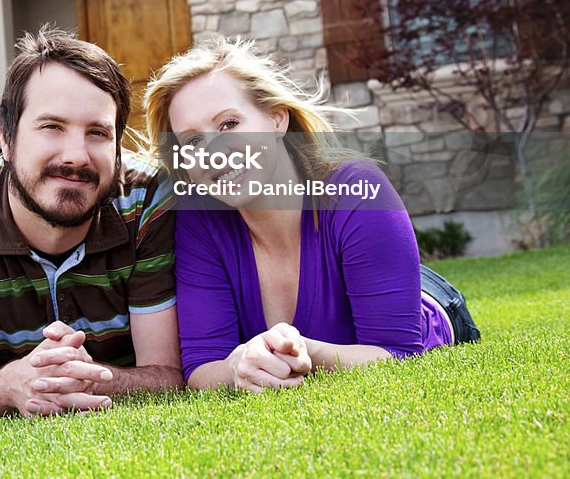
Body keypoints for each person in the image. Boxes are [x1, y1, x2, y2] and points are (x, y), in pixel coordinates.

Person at [143, 36, 479, 394]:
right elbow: (201, 367)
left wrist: (304, 350)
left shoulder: (357, 191)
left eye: (228, 124)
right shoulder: (200, 219)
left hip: (431, 309)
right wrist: (237, 368)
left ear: (276, 119)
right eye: (192, 142)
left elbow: (398, 354)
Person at [0, 27, 182, 418]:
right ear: (7, 137)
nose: (76, 156)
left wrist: (91, 377)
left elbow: (168, 375)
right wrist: (7, 385)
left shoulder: (147, 199)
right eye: (52, 126)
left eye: (97, 133)